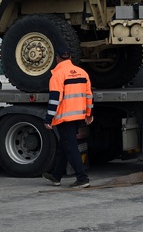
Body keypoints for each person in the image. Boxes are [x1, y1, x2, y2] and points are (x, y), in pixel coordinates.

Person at [42, 49, 93, 188]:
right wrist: (89, 114)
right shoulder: (82, 73)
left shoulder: (57, 75)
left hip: (65, 118)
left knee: (70, 147)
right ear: (70, 57)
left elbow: (55, 99)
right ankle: (56, 176)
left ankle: (82, 178)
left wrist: (48, 119)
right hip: (79, 116)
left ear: (57, 58)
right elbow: (89, 95)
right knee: (64, 145)